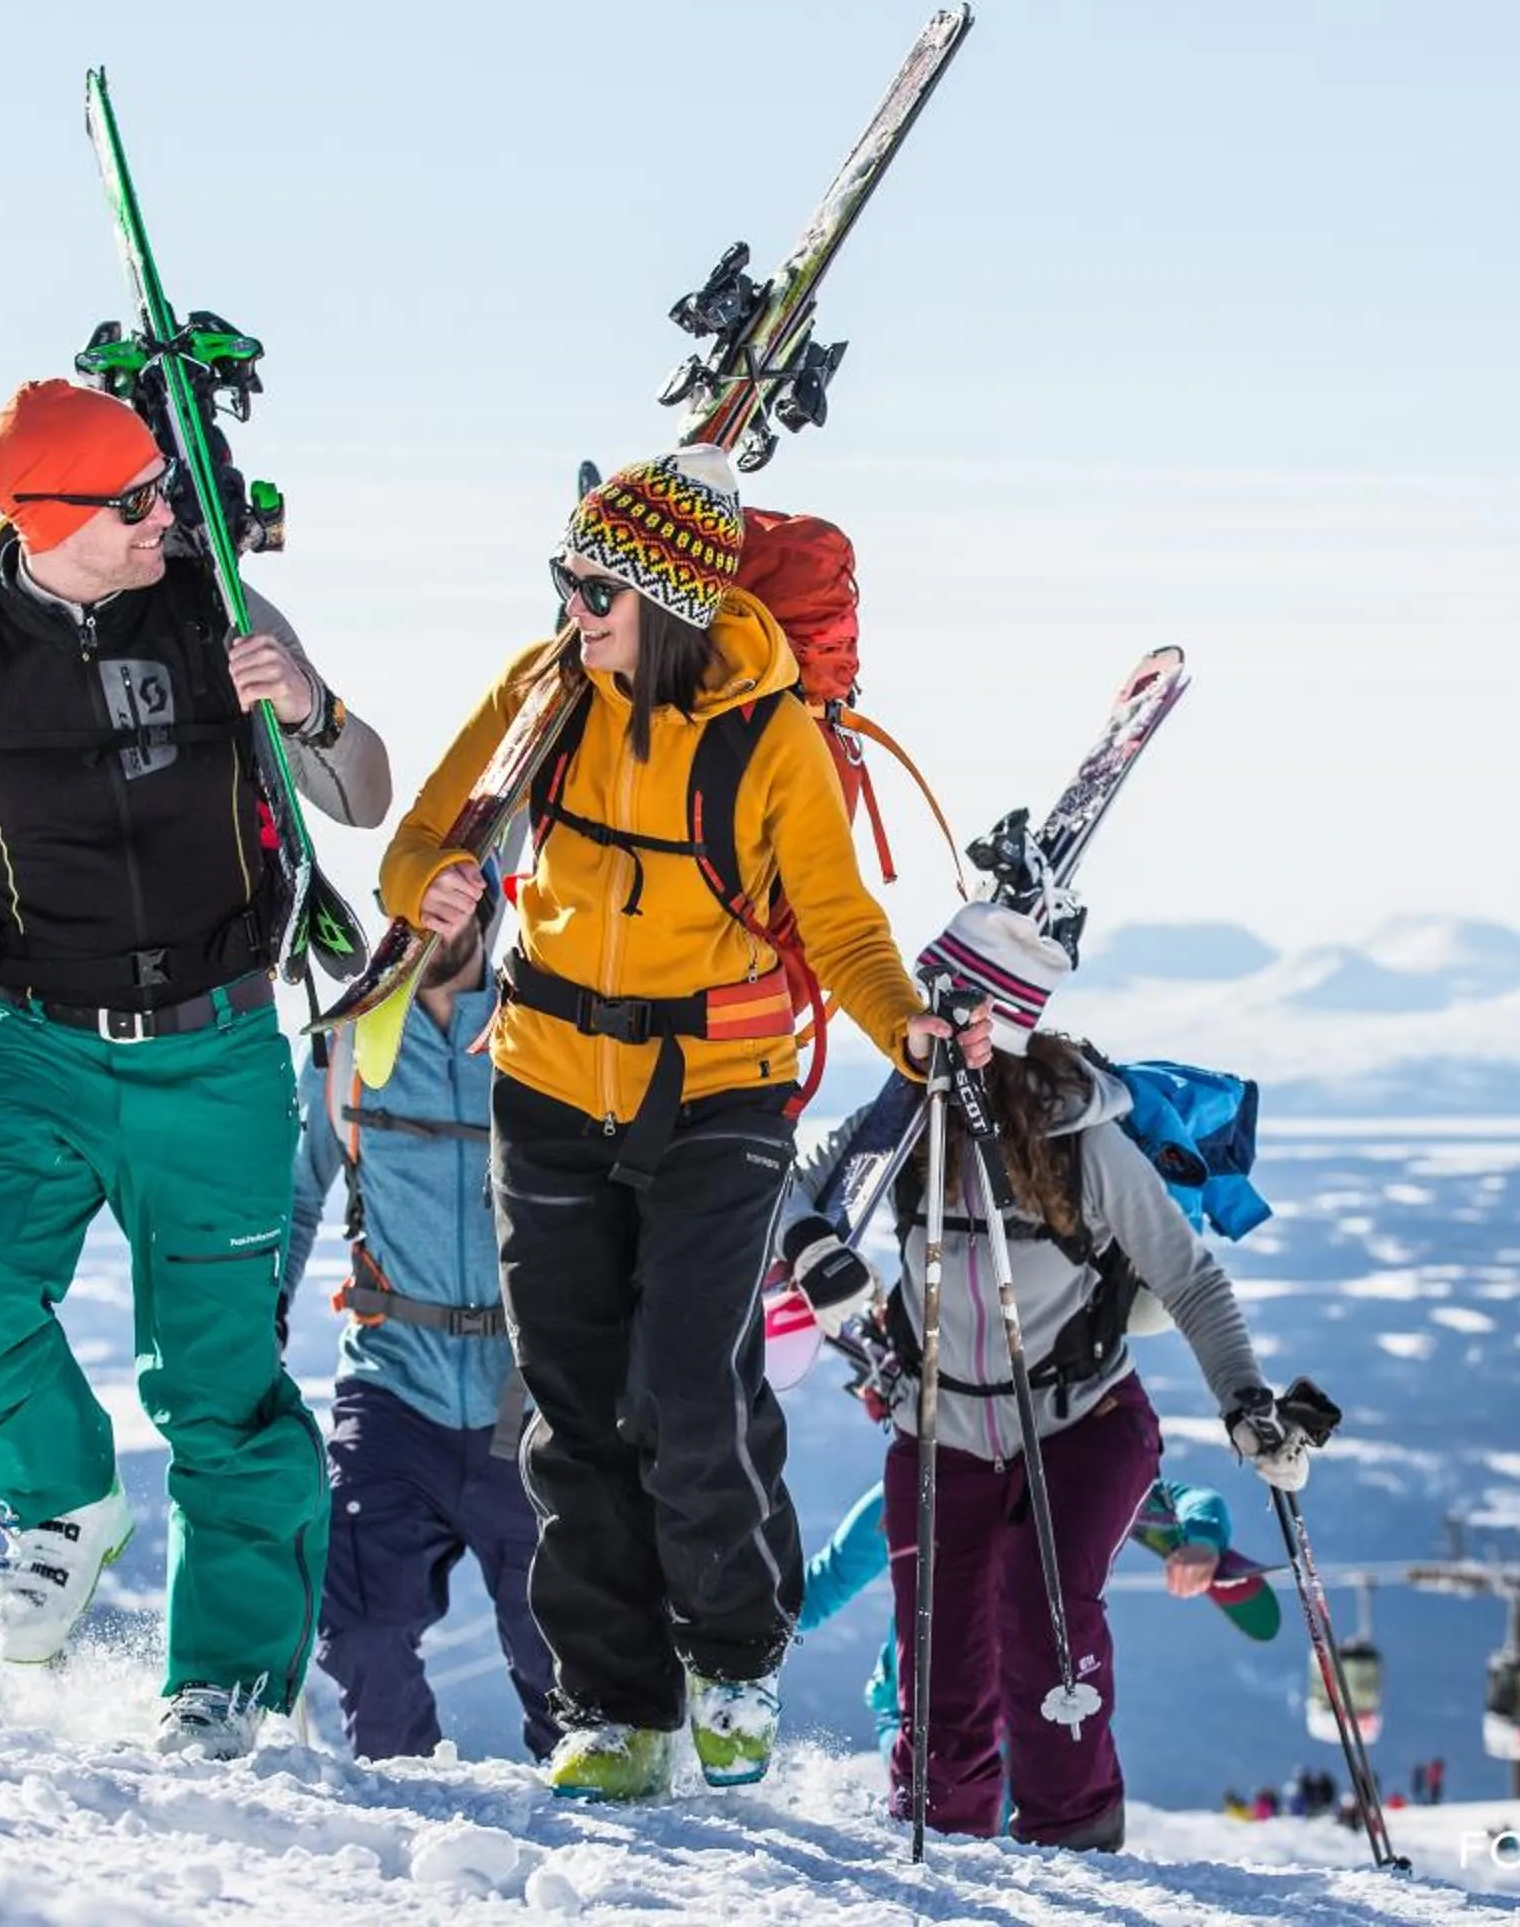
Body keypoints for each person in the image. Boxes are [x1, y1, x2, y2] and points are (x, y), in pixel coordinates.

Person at [0, 379, 392, 1760]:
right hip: (36, 1047)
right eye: (135, 501)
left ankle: (224, 1685)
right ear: (40, 518)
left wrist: (304, 704)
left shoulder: (217, 603)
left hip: (219, 1046)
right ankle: (63, 1499)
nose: (165, 516)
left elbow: (363, 788)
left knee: (220, 1384)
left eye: (162, 490)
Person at [375, 444, 985, 1801]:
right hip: (542, 1079)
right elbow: (420, 838)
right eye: (565, 578)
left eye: (595, 585)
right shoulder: (544, 697)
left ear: (671, 593)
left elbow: (838, 925)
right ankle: (611, 1703)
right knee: (575, 1406)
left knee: (687, 1390)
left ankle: (730, 1652)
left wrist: (911, 1031)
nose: (571, 607)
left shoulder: (769, 738)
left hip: (719, 1093)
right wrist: (432, 894)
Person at [789, 901, 1322, 1852]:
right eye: (932, 1006)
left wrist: (1247, 1404)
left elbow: (1189, 1277)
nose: (934, 1029)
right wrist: (812, 1246)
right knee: (939, 1664)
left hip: (1082, 1426)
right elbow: (788, 1185)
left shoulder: (1088, 1138)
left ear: (1005, 1025)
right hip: (941, 1433)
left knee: (1044, 1623)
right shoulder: (902, 1123)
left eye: (957, 1010)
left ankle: (1073, 1846)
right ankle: (941, 1850)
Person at [282, 876, 553, 1762]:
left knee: (566, 1667)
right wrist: (261, 1323)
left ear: (485, 908)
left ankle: (609, 1861)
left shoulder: (535, 1032)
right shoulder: (351, 1046)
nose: (439, 924)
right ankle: (407, 1815)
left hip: (533, 1397)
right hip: (392, 1390)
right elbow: (293, 1197)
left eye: (454, 902)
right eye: (418, 905)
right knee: (360, 1625)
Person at [797, 1470, 1245, 1748]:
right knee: (953, 1836)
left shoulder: (1065, 1473)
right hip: (921, 1709)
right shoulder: (917, 1485)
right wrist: (738, 1615)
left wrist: (1202, 1541)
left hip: (1025, 1710)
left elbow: (1186, 1498)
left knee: (1006, 1848)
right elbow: (817, 1592)